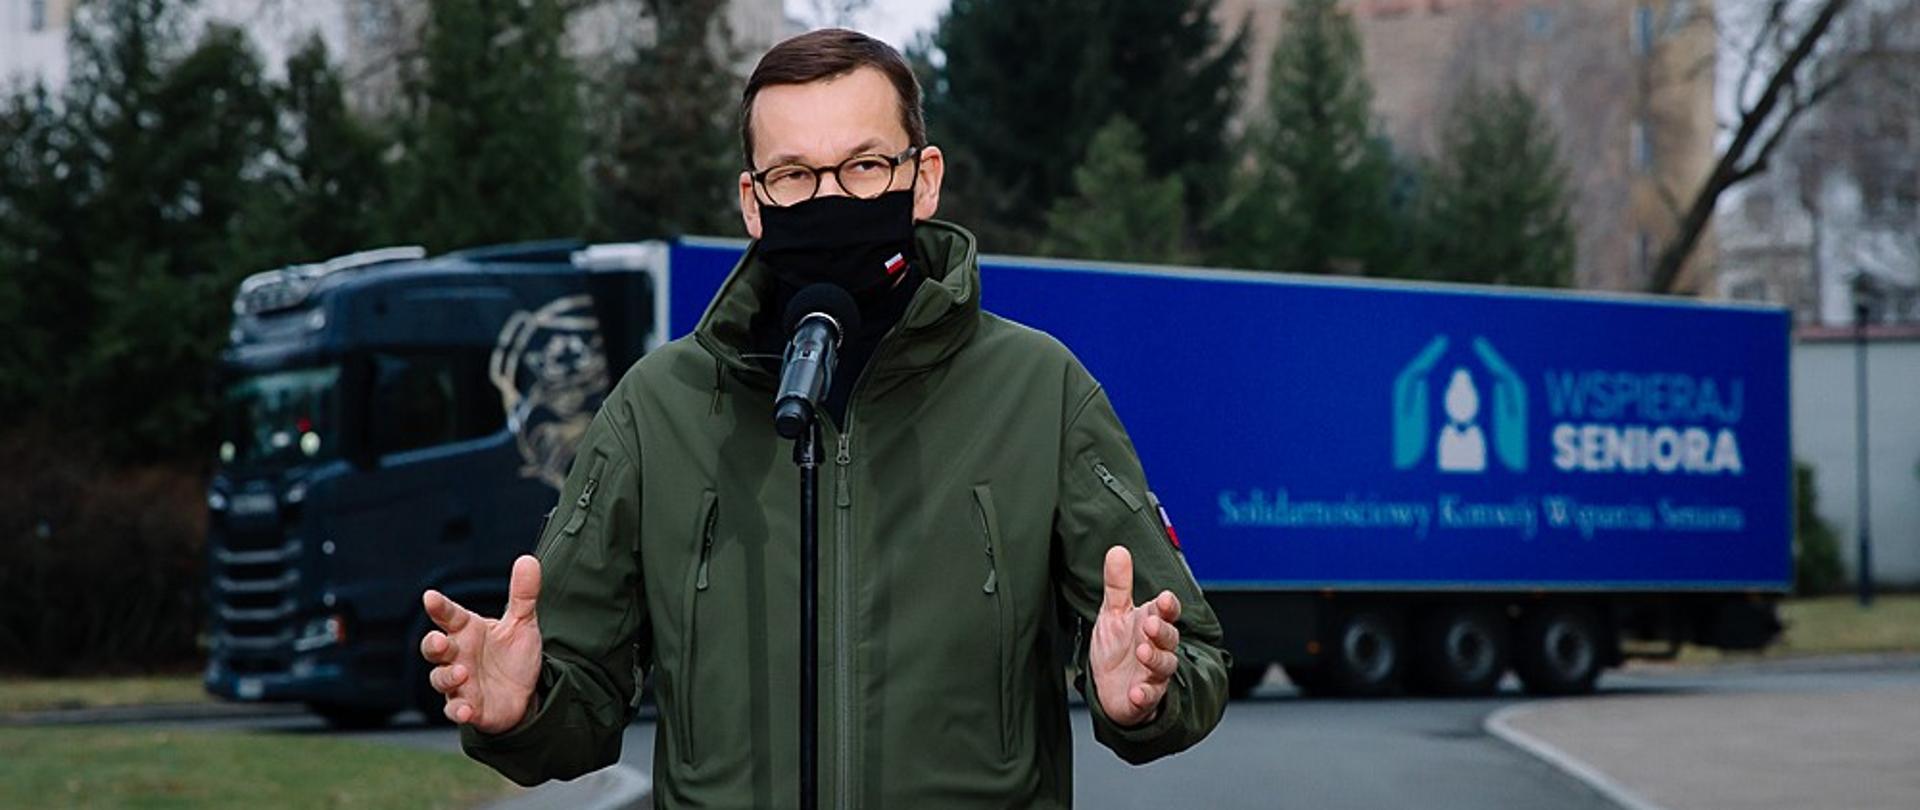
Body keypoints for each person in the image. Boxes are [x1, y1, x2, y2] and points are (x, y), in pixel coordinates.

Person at [418, 28, 1230, 808]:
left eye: (866, 166)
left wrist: (1147, 693)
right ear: (752, 199)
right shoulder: (655, 410)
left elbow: (1193, 657)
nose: (830, 200)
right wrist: (519, 708)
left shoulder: (1040, 391)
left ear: (926, 177)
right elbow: (578, 695)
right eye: (795, 177)